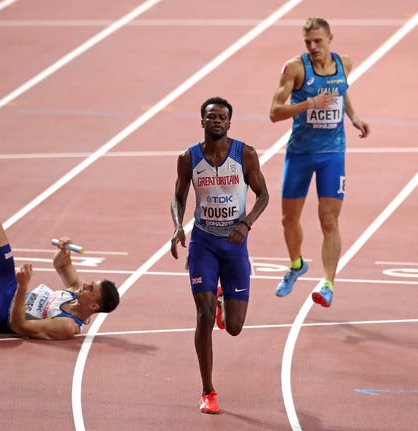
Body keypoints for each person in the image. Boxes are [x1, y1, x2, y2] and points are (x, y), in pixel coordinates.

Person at [170, 97, 269, 414]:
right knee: (203, 315)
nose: (216, 121)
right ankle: (207, 391)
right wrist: (177, 226)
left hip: (235, 244)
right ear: (202, 122)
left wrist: (246, 223)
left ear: (229, 123)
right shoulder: (188, 158)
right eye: (210, 116)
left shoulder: (245, 154)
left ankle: (224, 297)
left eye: (221, 117)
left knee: (236, 327)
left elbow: (263, 194)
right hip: (204, 244)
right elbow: (177, 197)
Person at [269, 17, 370, 307]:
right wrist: (309, 104)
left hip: (332, 153)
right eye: (308, 42)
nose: (313, 47)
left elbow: (341, 92)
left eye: (318, 41)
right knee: (289, 219)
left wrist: (354, 117)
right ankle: (297, 264)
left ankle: (328, 284)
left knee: (329, 219)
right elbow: (274, 112)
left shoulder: (345, 64)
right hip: (300, 153)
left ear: (330, 39)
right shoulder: (295, 69)